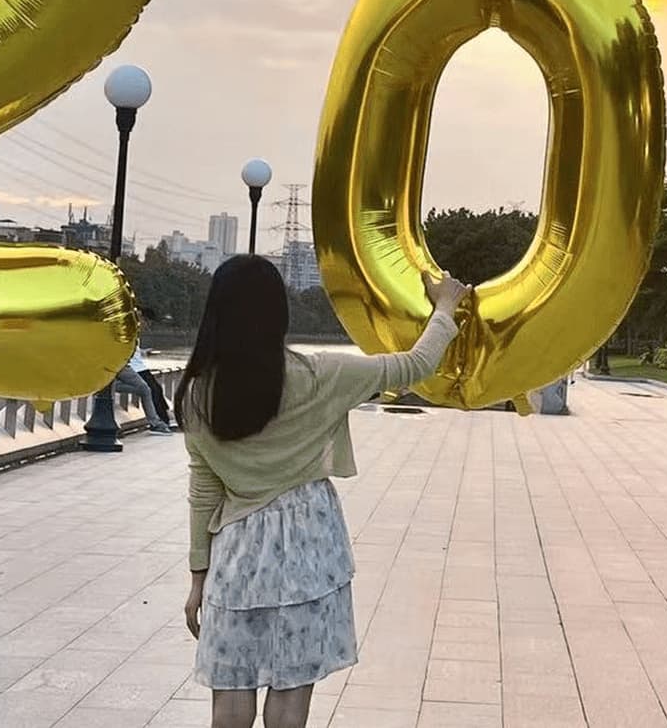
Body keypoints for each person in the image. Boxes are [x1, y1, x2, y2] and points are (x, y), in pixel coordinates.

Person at [180, 255, 469, 728]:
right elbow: (416, 365)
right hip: (308, 545)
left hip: (237, 548)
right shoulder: (321, 376)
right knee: (290, 695)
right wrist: (445, 306)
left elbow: (204, 488)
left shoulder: (196, 393)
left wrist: (198, 577)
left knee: (231, 694)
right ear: (279, 315)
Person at [117, 308, 174, 432]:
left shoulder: (134, 330)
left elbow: (134, 349)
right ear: (141, 318)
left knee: (155, 389)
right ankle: (159, 421)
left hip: (137, 366)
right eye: (148, 322)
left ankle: (164, 418)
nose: (148, 326)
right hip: (133, 367)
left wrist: (144, 352)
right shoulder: (129, 328)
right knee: (149, 389)